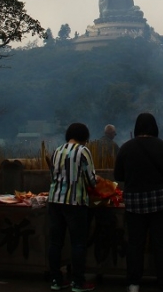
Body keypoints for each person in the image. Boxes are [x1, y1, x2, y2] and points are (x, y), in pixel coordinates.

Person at [114, 112, 163, 292]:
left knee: (135, 243)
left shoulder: (126, 148)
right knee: (162, 243)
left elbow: (118, 176)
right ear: (154, 127)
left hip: (134, 202)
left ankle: (133, 283)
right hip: (160, 201)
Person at [47, 122, 98, 292]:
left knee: (55, 242)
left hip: (54, 201)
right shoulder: (83, 151)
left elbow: (53, 176)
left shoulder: (56, 151)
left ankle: (56, 279)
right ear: (85, 137)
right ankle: (78, 282)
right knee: (78, 243)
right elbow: (91, 179)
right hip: (75, 202)